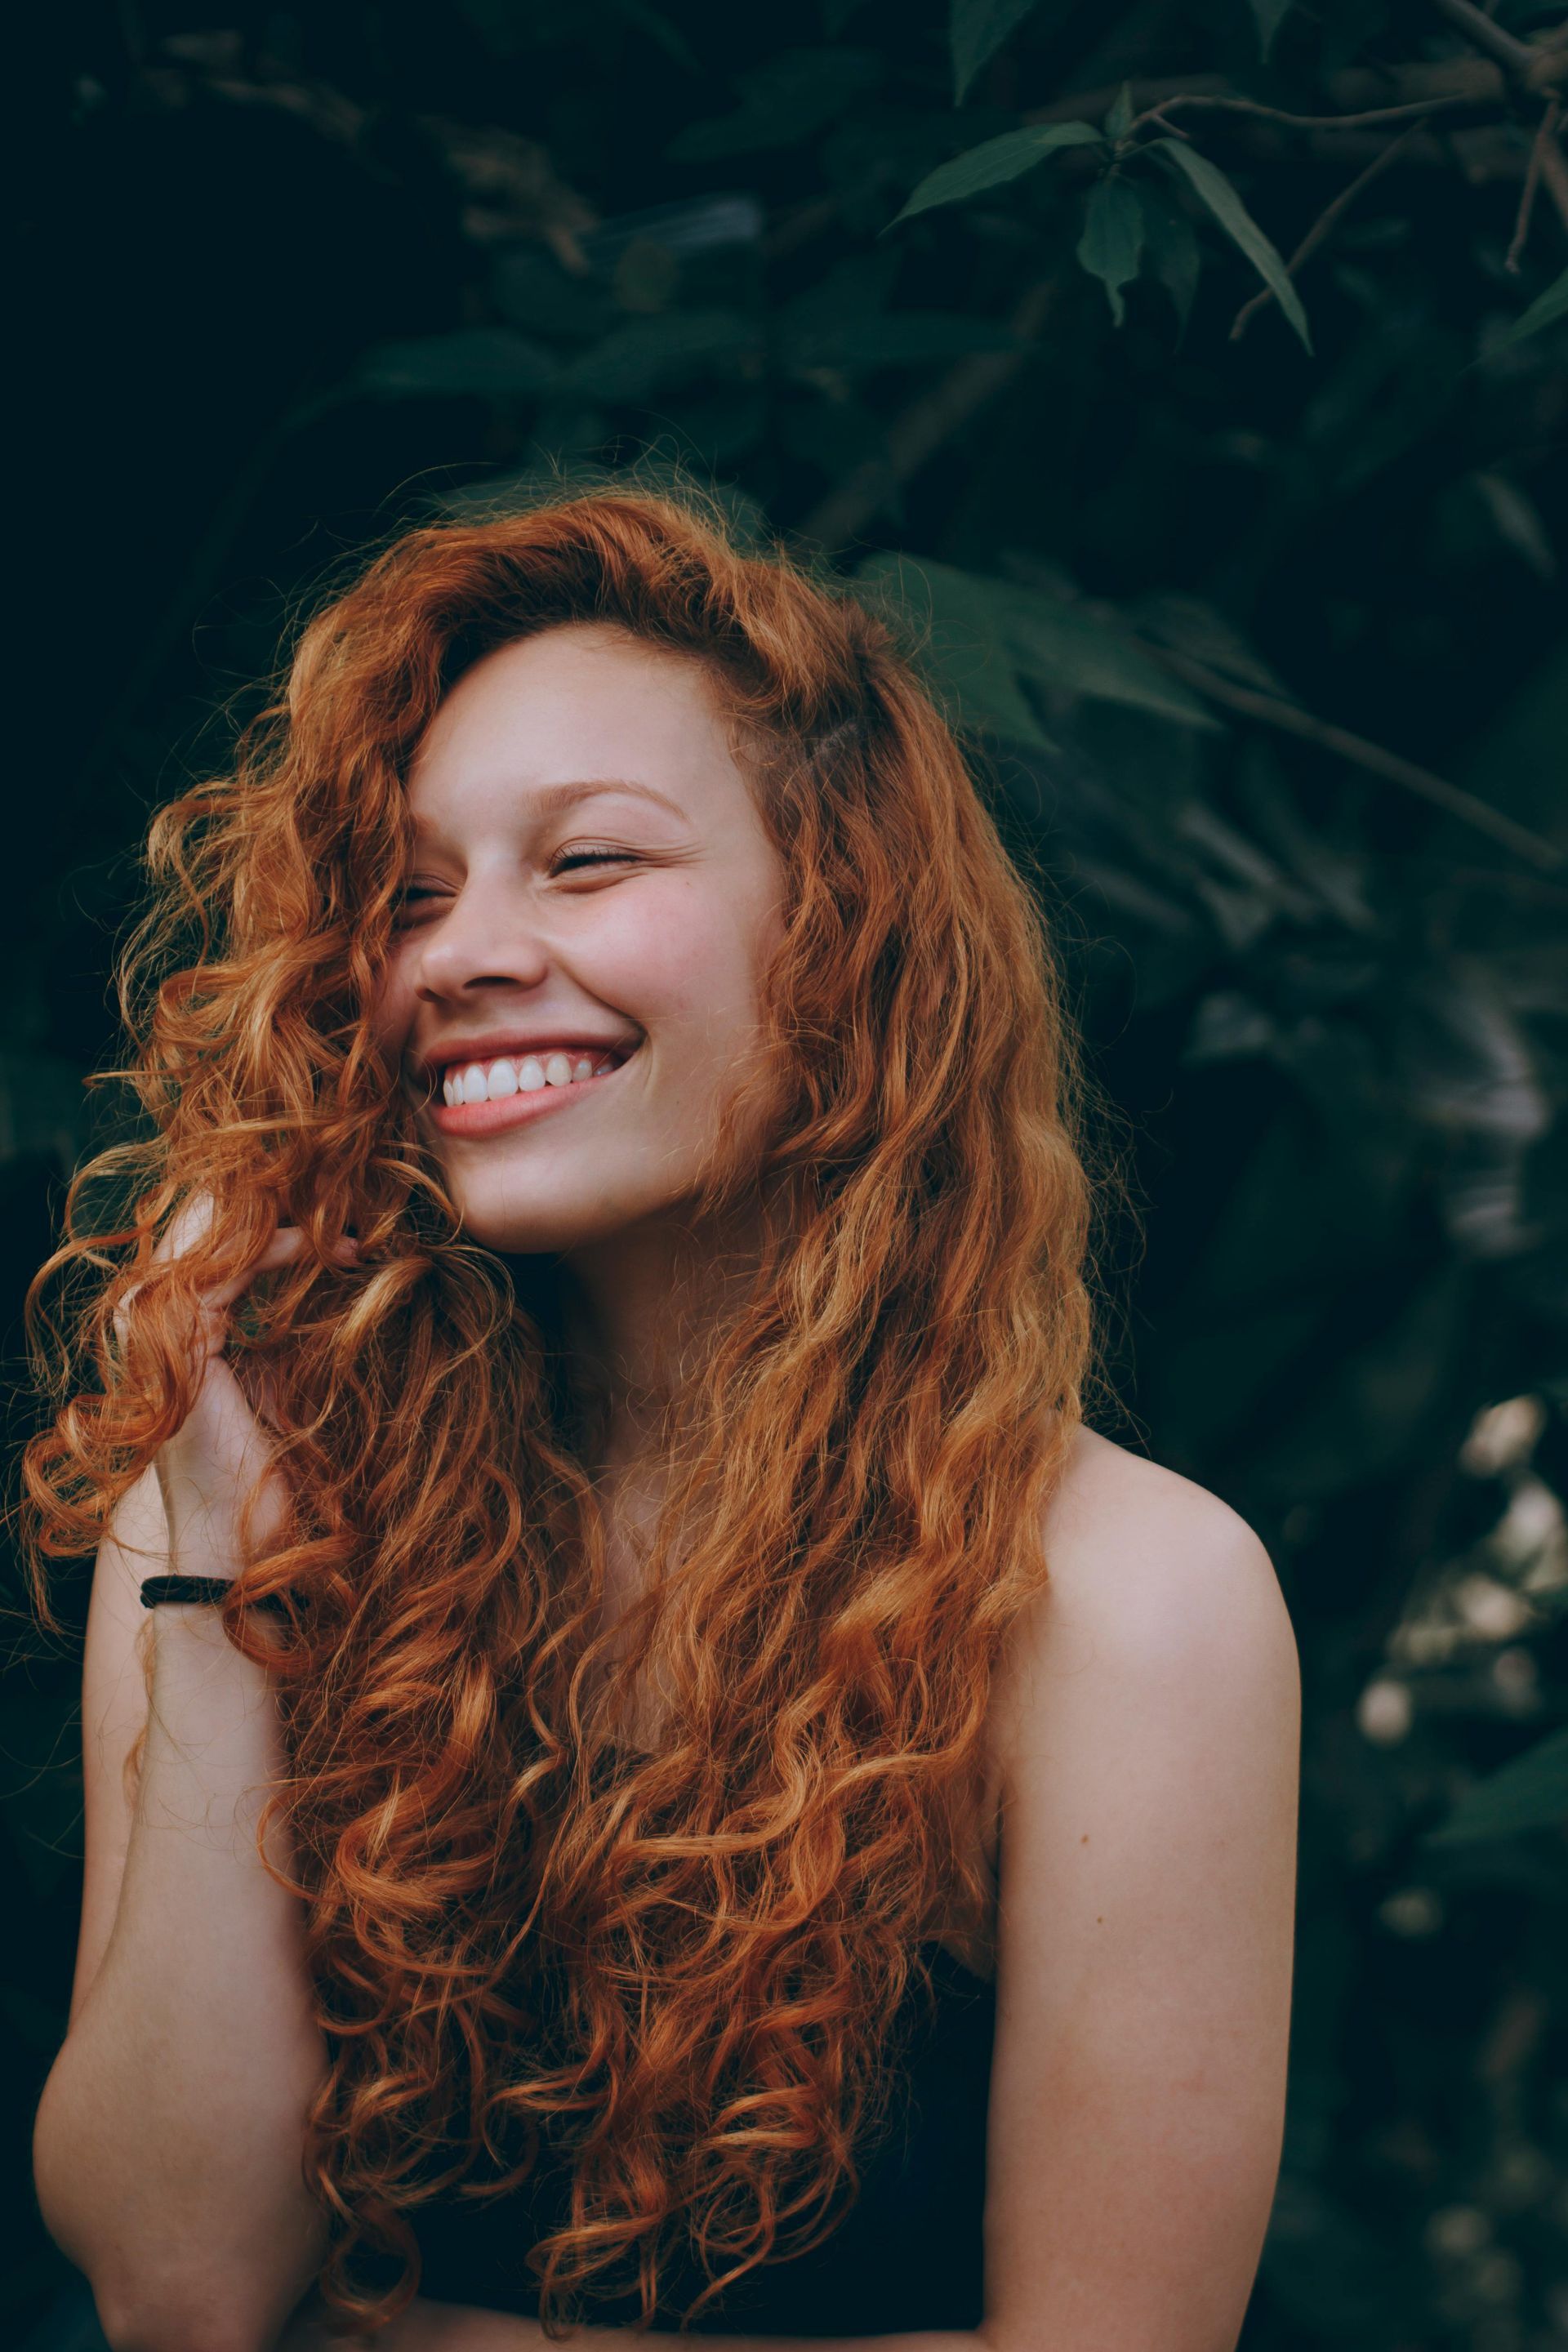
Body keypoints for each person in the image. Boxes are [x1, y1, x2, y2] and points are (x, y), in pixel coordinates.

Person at [22, 484, 1300, 2352]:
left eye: (589, 863)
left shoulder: (1133, 1602)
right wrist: (229, 1563)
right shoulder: (228, 1511)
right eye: (411, 890)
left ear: (848, 936)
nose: (458, 952)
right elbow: (180, 2288)